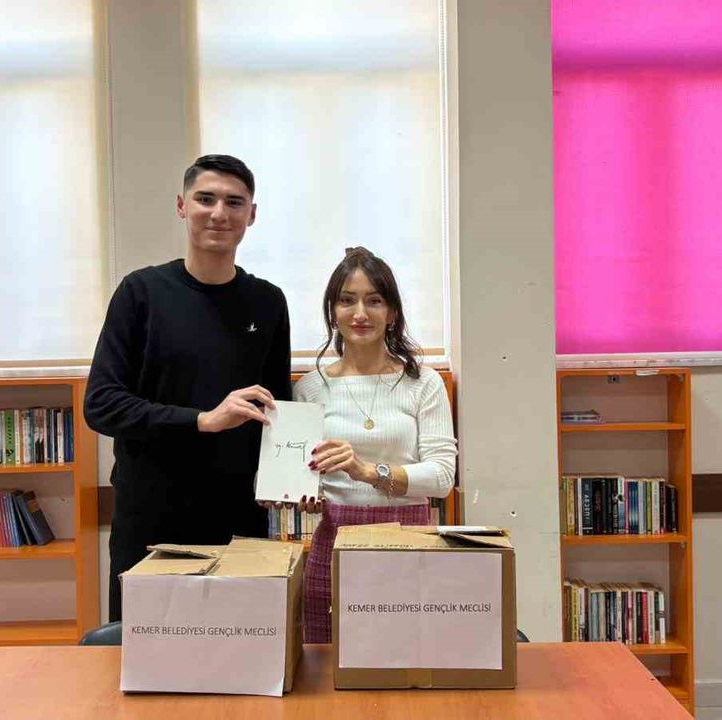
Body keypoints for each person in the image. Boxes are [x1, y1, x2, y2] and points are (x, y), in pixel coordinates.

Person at [84, 154, 291, 621]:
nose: (219, 213)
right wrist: (202, 420)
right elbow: (101, 404)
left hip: (238, 520)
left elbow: (278, 405)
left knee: (239, 649)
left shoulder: (268, 302)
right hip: (151, 518)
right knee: (146, 653)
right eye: (206, 199)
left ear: (251, 215)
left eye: (234, 202)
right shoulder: (141, 293)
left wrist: (293, 478)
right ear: (182, 206)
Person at [292, 246, 457, 642]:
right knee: (325, 659)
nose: (360, 313)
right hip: (333, 540)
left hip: (409, 539)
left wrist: (368, 472)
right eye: (347, 300)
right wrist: (303, 494)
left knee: (408, 657)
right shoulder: (311, 388)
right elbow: (304, 475)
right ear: (333, 312)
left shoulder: (424, 383)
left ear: (393, 312)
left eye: (374, 301)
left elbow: (442, 478)